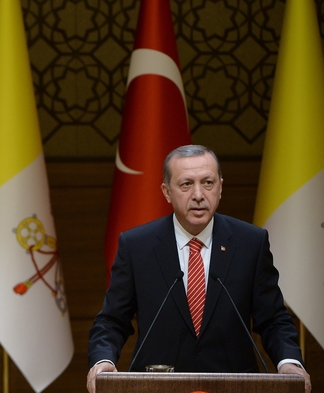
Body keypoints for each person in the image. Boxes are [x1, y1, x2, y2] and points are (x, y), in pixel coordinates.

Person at [86, 145, 311, 393]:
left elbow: (273, 319)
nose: (198, 195)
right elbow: (112, 321)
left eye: (207, 183)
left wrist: (289, 362)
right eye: (186, 185)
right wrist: (102, 361)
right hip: (157, 386)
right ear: (167, 192)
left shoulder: (250, 243)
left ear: (220, 187)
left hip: (235, 386)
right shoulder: (138, 246)